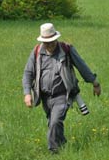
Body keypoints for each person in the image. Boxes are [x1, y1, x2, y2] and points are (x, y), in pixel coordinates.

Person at [22, 23, 101, 153]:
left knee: (55, 121)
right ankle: (62, 144)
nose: (50, 45)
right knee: (53, 123)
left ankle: (53, 151)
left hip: (63, 94)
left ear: (56, 39)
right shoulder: (37, 51)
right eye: (47, 42)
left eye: (52, 41)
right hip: (45, 96)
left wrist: (95, 83)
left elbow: (82, 66)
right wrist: (27, 93)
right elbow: (28, 73)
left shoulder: (66, 49)